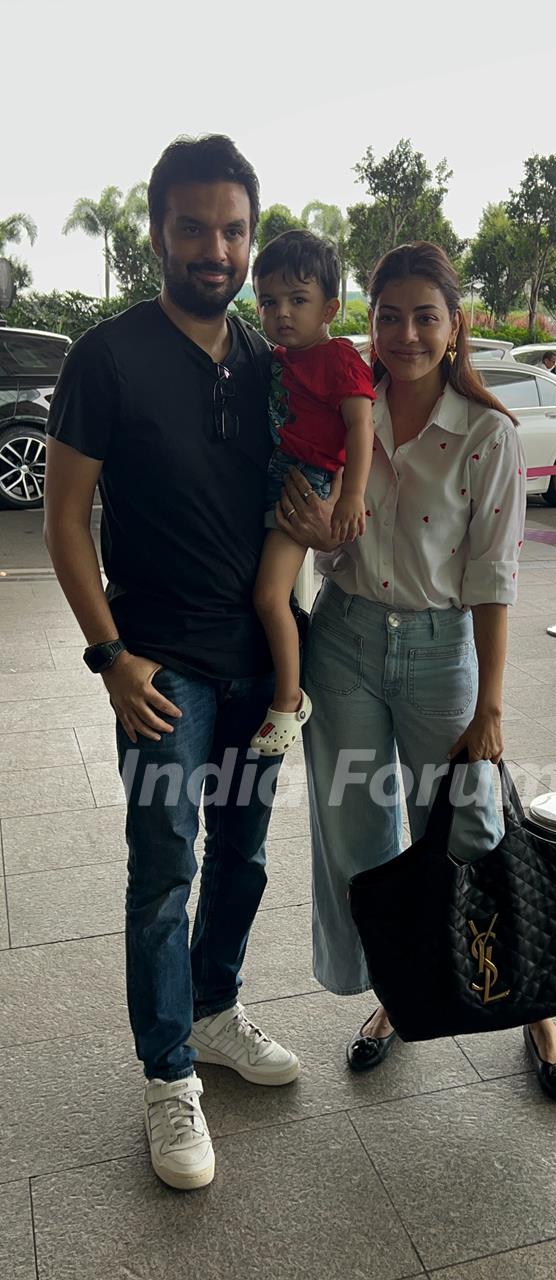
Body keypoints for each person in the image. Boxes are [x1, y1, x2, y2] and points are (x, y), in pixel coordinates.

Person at [44, 135, 300, 1193]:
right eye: (193, 226)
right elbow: (64, 522)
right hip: (163, 677)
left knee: (241, 859)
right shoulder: (105, 357)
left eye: (233, 228)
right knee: (165, 874)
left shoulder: (268, 357)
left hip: (259, 671)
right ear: (157, 232)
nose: (216, 247)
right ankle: (167, 1074)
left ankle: (214, 1008)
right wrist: (108, 655)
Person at [276, 242, 556, 1102]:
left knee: (473, 828)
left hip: (442, 648)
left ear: (455, 329)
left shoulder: (488, 434)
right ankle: (395, 998)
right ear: (366, 322)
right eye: (389, 315)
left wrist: (490, 705)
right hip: (343, 644)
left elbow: (494, 580)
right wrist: (309, 526)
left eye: (425, 317)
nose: (405, 333)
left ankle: (535, 1007)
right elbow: (298, 511)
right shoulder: (342, 414)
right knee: (361, 841)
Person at [249, 230, 375, 756]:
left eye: (298, 301)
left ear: (329, 308)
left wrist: (350, 496)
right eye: (269, 301)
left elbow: (360, 427)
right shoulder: (278, 357)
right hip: (278, 471)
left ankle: (288, 699)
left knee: (269, 595)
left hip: (310, 480)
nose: (282, 312)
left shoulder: (339, 359)